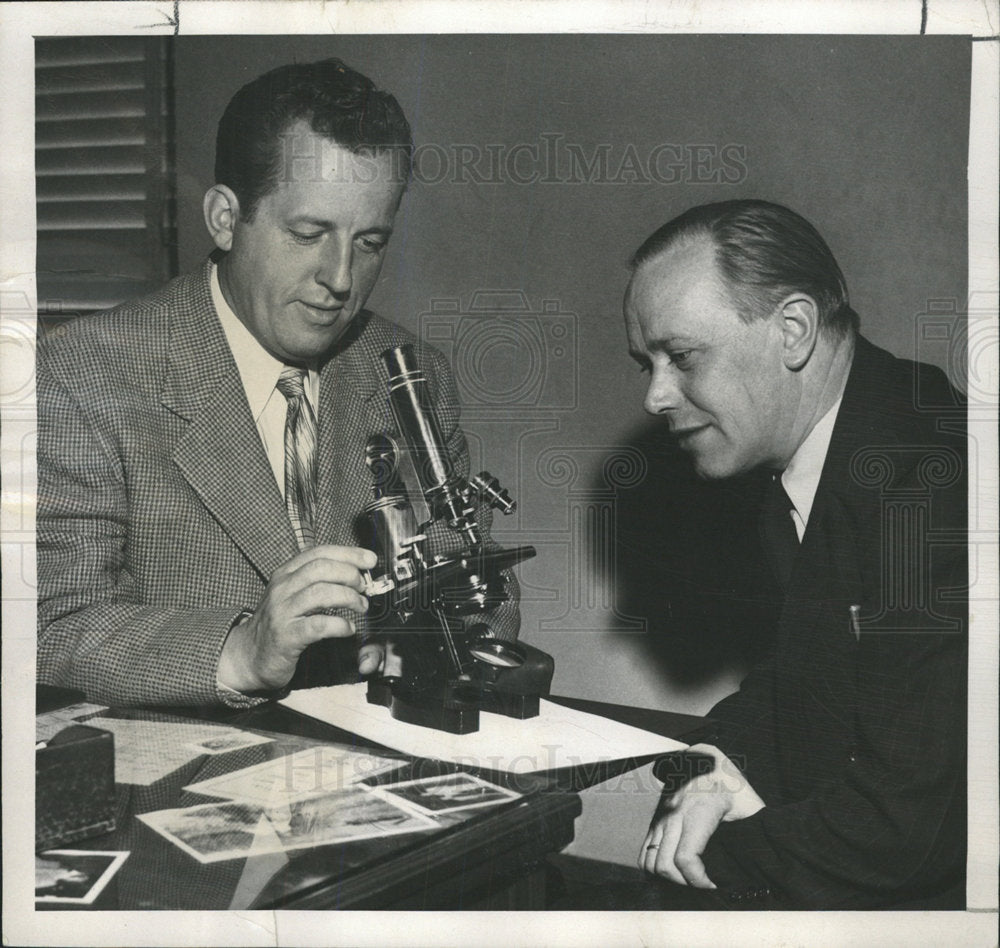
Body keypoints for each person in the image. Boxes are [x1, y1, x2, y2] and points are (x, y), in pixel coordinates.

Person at [36, 59, 517, 709]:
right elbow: (47, 629)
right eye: (308, 234)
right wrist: (241, 650)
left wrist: (421, 642)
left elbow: (480, 591)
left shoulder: (409, 373)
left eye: (369, 241)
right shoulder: (81, 374)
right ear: (226, 218)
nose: (341, 278)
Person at [616, 200, 966, 910]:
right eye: (647, 363)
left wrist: (714, 841)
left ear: (795, 330)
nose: (655, 396)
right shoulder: (838, 445)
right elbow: (806, 672)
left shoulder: (923, 481)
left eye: (682, 357)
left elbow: (907, 829)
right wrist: (711, 769)